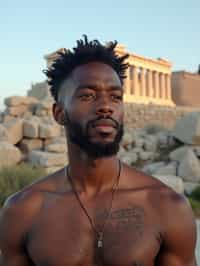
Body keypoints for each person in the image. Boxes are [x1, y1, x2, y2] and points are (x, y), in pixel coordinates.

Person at [0, 35, 197, 266]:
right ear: (58, 113)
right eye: (87, 95)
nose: (105, 106)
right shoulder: (23, 210)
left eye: (115, 97)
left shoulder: (167, 207)